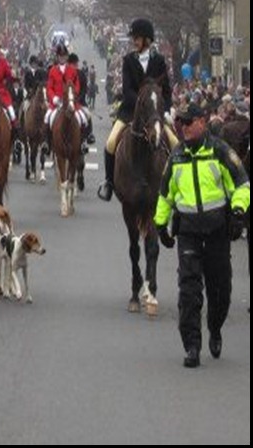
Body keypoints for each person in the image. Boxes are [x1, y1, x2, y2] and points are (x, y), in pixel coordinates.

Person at [154, 103, 250, 368]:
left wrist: (238, 211)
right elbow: (165, 194)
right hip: (188, 233)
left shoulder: (221, 151)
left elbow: (242, 185)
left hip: (217, 232)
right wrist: (160, 225)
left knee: (221, 291)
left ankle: (215, 327)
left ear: (202, 122)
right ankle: (192, 346)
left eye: (188, 122)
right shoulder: (176, 156)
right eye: (181, 123)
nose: (183, 127)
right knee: (189, 291)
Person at [98, 18, 178, 201]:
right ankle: (109, 182)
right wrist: (142, 106)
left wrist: (166, 109)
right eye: (134, 38)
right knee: (110, 142)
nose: (134, 41)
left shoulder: (159, 61)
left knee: (175, 143)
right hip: (130, 111)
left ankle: (176, 184)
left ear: (147, 40)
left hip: (155, 114)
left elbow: (166, 90)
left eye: (137, 38)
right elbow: (127, 90)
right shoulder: (128, 60)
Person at [67, 52, 95, 146]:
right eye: (74, 64)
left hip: (80, 102)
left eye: (75, 64)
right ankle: (49, 140)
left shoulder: (81, 74)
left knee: (88, 115)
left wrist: (78, 99)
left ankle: (88, 136)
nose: (75, 66)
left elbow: (84, 89)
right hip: (66, 103)